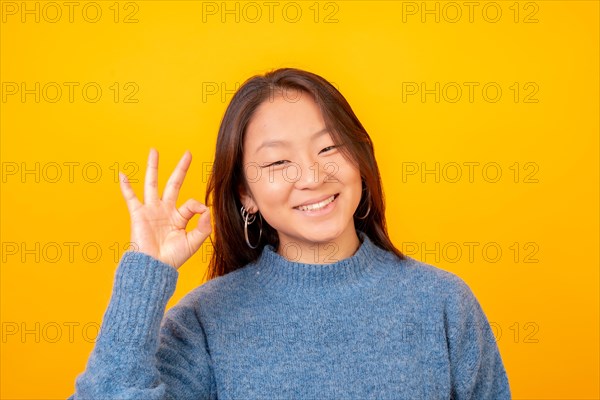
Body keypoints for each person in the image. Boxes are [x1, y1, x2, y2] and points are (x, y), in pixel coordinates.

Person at [68, 68, 511, 399]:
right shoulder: (203, 322)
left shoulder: (443, 303)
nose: (312, 176)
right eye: (278, 162)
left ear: (360, 159)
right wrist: (145, 276)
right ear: (246, 195)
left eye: (329, 146)